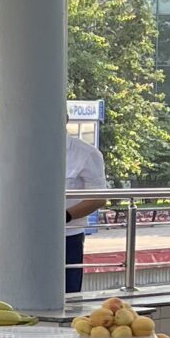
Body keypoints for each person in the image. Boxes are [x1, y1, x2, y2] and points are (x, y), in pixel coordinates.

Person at [65, 125, 109, 298]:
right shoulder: (29, 150)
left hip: (68, 237)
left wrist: (64, 216)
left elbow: (98, 198)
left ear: (65, 119)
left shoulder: (87, 153)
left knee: (68, 295)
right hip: (29, 238)